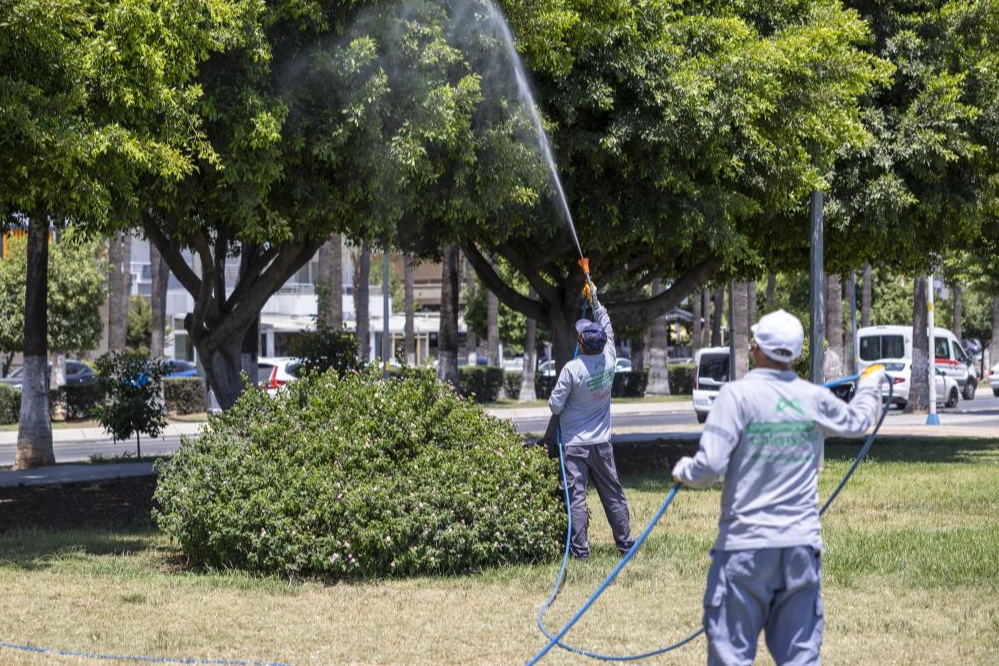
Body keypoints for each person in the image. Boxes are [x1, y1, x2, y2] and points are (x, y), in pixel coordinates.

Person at [672, 308, 883, 666]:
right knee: (800, 657)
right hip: (800, 547)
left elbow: (708, 467)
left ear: (755, 347)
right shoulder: (812, 397)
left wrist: (682, 471)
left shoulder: (735, 396)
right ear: (797, 354)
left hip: (744, 548)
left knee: (731, 656)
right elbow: (860, 420)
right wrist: (870, 387)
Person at [549, 283, 635, 561]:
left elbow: (554, 405)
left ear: (581, 344)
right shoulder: (611, 360)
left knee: (576, 499)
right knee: (613, 495)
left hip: (574, 445)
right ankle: (626, 545)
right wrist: (594, 298)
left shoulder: (572, 370)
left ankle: (581, 553)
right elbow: (607, 326)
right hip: (602, 443)